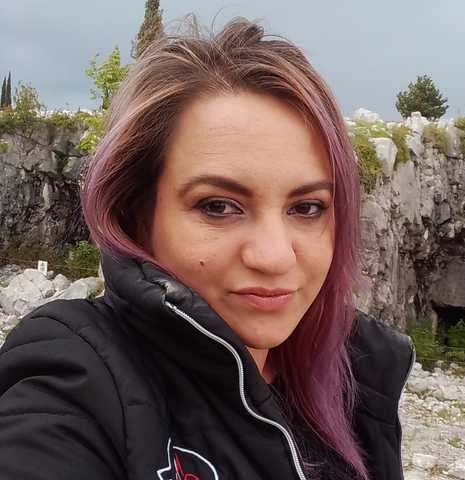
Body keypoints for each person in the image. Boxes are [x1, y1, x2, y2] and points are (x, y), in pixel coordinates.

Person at [0, 17, 414, 480]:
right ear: (137, 214)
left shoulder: (356, 378)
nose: (275, 257)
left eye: (307, 207)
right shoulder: (77, 373)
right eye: (218, 206)